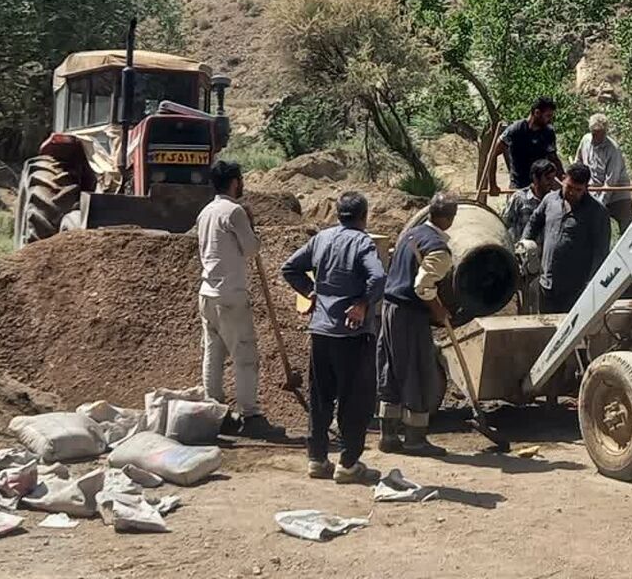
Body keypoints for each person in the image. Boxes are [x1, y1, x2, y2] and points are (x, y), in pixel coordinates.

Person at [281, 191, 386, 484]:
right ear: (364, 216)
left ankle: (317, 459)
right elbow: (377, 277)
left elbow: (290, 268)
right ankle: (348, 464)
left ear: (338, 214)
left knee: (320, 396)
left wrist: (310, 292)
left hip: (321, 332)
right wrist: (364, 303)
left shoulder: (321, 239)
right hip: (351, 335)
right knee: (355, 398)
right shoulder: (363, 241)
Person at [195, 159, 277, 439]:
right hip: (230, 294)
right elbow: (252, 249)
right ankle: (250, 415)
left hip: (207, 292)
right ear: (234, 182)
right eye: (240, 180)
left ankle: (215, 411)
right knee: (245, 356)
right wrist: (252, 228)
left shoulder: (205, 212)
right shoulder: (235, 212)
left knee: (213, 354)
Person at [377, 192, 459, 457]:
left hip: (389, 308)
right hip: (409, 314)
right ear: (449, 218)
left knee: (391, 368)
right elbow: (423, 287)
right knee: (417, 371)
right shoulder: (438, 249)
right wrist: (439, 311)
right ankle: (415, 439)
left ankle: (388, 435)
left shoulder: (410, 235)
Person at [521, 162, 611, 313]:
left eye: (578, 190)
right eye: (569, 187)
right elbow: (534, 221)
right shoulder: (550, 200)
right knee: (546, 325)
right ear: (563, 179)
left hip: (575, 288)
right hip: (546, 282)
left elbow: (601, 251)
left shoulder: (597, 212)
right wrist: (524, 244)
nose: (572, 193)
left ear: (586, 188)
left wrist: (592, 283)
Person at [484, 97, 564, 196]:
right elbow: (492, 155)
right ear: (537, 113)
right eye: (548, 116)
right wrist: (492, 184)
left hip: (541, 188)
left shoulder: (548, 132)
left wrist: (563, 180)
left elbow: (553, 158)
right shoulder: (515, 130)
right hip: (519, 188)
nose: (550, 120)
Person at [575, 113, 632, 234]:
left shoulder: (613, 149)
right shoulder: (585, 140)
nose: (598, 136)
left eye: (601, 133)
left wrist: (599, 204)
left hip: (617, 192)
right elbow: (578, 161)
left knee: (627, 228)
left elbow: (610, 182)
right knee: (592, 228)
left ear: (606, 132)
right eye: (595, 133)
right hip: (593, 190)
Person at [504, 158, 558, 243]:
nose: (551, 183)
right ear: (535, 178)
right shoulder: (519, 198)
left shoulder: (555, 201)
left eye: (553, 179)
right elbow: (505, 224)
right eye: (548, 179)